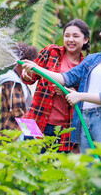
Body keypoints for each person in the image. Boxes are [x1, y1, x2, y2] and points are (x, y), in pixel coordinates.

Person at [22, 11, 101, 152]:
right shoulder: (91, 59)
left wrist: (79, 95)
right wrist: (36, 69)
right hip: (37, 119)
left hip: (66, 127)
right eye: (67, 35)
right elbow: (66, 78)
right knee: (30, 159)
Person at [21, 19, 90, 153]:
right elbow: (30, 79)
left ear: (85, 40)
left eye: (76, 36)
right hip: (34, 119)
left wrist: (69, 93)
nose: (70, 39)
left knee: (54, 170)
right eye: (67, 35)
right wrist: (27, 73)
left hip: (63, 129)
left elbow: (85, 97)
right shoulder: (50, 51)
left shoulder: (87, 66)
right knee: (28, 163)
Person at [0, 42, 38, 135]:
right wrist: (34, 133)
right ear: (23, 62)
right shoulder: (12, 81)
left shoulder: (21, 81)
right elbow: (17, 111)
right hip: (13, 135)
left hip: (21, 134)